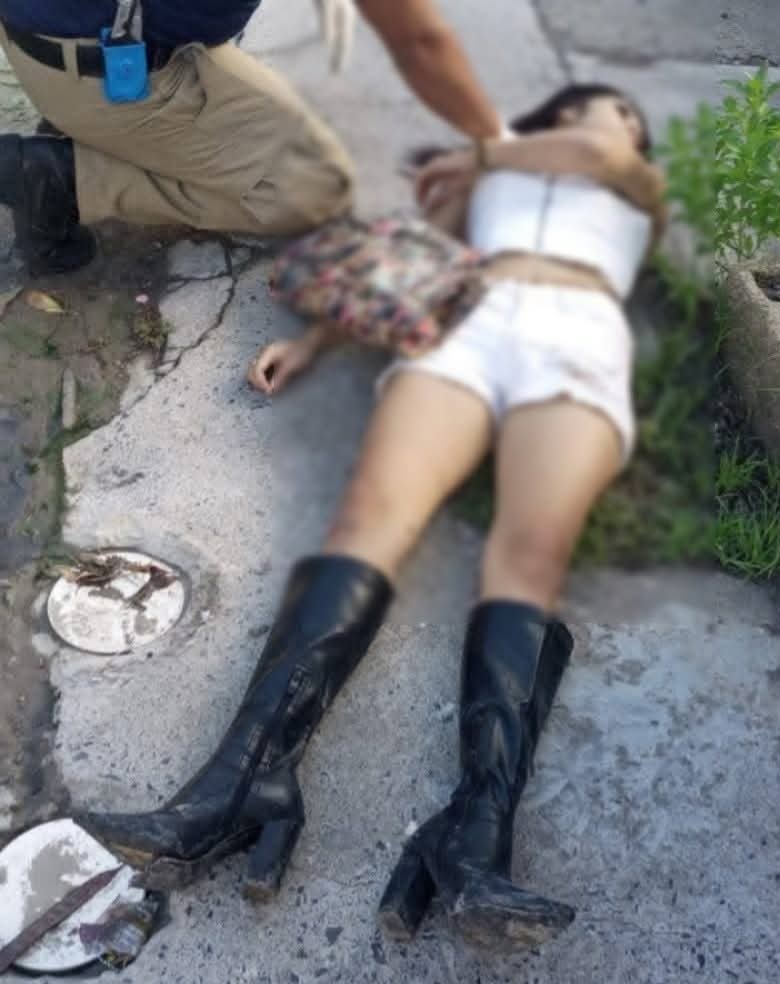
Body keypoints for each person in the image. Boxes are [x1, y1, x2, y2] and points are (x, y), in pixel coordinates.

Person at [79, 84, 667, 952]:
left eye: (627, 120)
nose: (613, 126)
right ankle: (240, 783)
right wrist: (312, 341)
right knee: (370, 521)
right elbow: (411, 267)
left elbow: (601, 162)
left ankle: (475, 834)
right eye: (595, 111)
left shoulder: (631, 191)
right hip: (466, 338)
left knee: (529, 554)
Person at [0, 0, 505, 276]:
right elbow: (420, 41)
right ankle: (61, 180)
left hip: (58, 38)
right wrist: (500, 150)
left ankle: (102, 127)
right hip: (103, 69)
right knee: (317, 187)